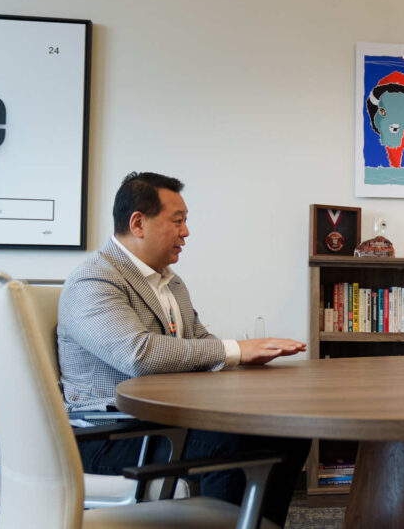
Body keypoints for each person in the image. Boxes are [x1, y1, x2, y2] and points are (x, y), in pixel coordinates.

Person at [57, 172, 309, 526]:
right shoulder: (94, 280)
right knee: (233, 442)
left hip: (161, 423)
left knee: (290, 433)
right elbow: (139, 355)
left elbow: (201, 345)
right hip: (109, 433)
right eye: (178, 221)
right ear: (138, 223)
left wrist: (250, 356)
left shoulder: (170, 283)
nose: (186, 232)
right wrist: (237, 349)